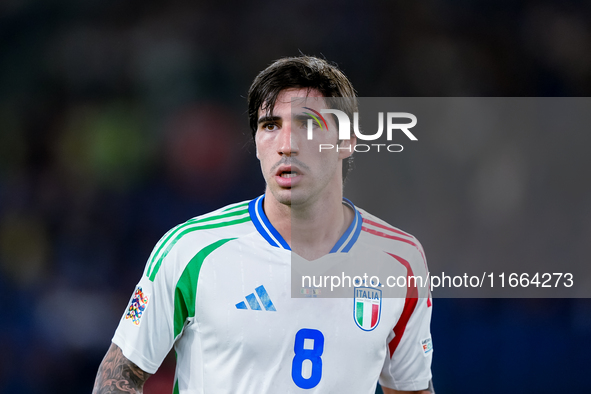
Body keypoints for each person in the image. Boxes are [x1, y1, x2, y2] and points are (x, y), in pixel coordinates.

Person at [93, 56, 434, 394]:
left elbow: (410, 389)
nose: (287, 145)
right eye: (270, 125)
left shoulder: (400, 260)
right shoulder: (192, 249)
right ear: (256, 143)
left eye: (309, 124)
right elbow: (119, 375)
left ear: (346, 142)